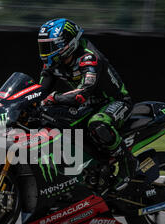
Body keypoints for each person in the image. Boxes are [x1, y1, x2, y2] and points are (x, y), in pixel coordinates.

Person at [37, 18, 139, 191]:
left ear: (67, 43)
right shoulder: (54, 62)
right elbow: (39, 91)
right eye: (43, 46)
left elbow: (83, 92)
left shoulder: (88, 57)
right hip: (88, 105)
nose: (46, 52)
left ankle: (128, 163)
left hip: (114, 102)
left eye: (50, 47)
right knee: (48, 117)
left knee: (98, 123)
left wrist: (55, 98)